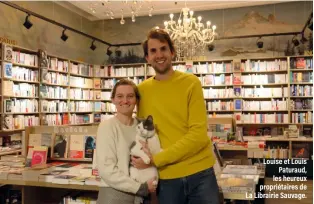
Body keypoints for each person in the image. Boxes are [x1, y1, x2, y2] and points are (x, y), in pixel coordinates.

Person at [132, 28, 220, 204]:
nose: (159, 55)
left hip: (200, 173)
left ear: (172, 52)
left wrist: (155, 160)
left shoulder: (191, 83)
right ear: (147, 58)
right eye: (153, 51)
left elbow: (198, 136)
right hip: (166, 178)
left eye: (163, 48)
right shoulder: (141, 91)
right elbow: (142, 134)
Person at [96, 79, 157, 204]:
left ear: (136, 100)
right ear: (113, 100)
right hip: (115, 196)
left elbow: (154, 154)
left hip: (142, 197)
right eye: (119, 96)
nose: (125, 101)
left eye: (130, 96)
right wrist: (140, 188)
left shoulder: (142, 126)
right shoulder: (107, 127)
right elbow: (107, 170)